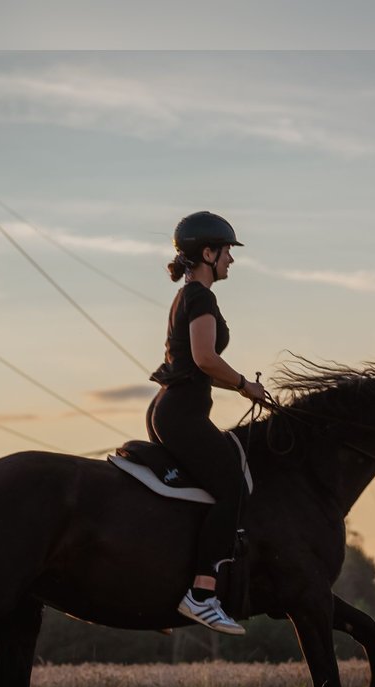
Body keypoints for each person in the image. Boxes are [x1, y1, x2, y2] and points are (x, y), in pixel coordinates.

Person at [147, 211, 267, 635]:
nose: (232, 261)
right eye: (228, 252)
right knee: (234, 487)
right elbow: (204, 359)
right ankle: (201, 595)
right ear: (208, 253)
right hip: (181, 413)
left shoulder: (189, 296)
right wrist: (243, 386)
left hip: (177, 409)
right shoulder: (200, 297)